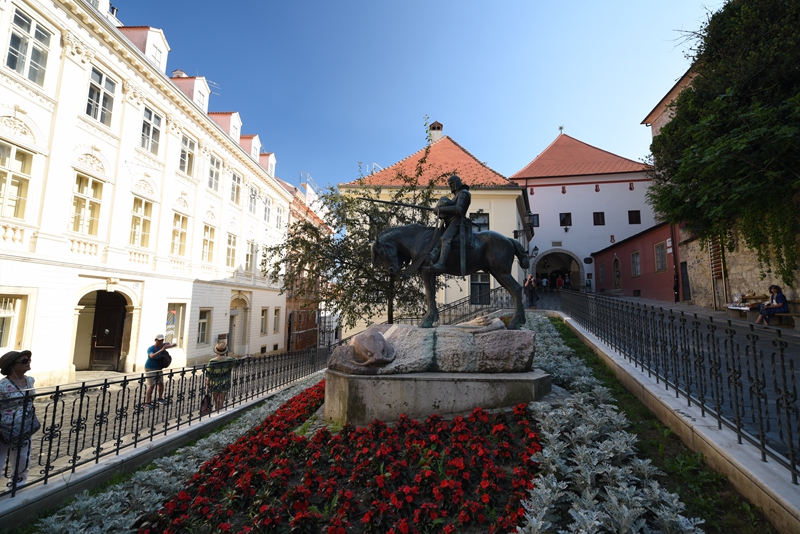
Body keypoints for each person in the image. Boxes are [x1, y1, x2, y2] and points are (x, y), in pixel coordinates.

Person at [0, 350, 37, 488]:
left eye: (28, 360)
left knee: (22, 458)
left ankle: (17, 487)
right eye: (24, 361)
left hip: (25, 426)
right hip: (5, 428)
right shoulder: (3, 385)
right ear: (12, 366)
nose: (28, 363)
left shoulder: (30, 380)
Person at [430, 174, 471, 272]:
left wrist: (441, 209)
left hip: (457, 221)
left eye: (451, 184)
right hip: (450, 221)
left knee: (445, 238)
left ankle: (441, 264)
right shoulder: (456, 195)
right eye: (449, 184)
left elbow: (459, 209)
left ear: (457, 183)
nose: (450, 186)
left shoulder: (463, 193)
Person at [144, 334, 175, 408]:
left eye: (162, 340)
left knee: (161, 384)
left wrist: (170, 345)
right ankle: (147, 402)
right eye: (159, 340)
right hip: (150, 368)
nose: (161, 341)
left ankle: (160, 398)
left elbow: (173, 344)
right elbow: (152, 356)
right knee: (152, 385)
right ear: (156, 340)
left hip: (158, 368)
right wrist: (161, 350)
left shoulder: (163, 345)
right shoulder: (151, 348)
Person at [207, 342, 236, 412]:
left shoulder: (212, 361)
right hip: (225, 381)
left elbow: (208, 373)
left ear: (216, 351)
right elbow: (237, 362)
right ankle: (221, 405)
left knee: (215, 393)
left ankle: (216, 404)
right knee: (223, 394)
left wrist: (207, 384)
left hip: (215, 382)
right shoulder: (230, 359)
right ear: (225, 351)